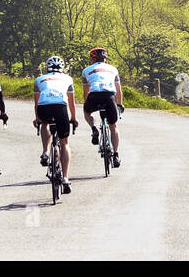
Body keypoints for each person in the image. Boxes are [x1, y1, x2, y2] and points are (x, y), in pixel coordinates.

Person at [33, 55, 77, 195]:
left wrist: (37, 118)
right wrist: (74, 118)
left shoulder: (39, 80)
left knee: (45, 123)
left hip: (44, 107)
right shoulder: (68, 79)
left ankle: (45, 152)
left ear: (47, 67)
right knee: (64, 143)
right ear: (62, 68)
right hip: (60, 108)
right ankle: (65, 178)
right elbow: (71, 102)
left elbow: (36, 102)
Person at [81, 46, 124, 167]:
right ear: (105, 58)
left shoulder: (86, 70)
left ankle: (94, 128)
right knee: (113, 126)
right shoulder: (113, 69)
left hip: (94, 96)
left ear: (93, 59)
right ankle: (116, 154)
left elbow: (86, 91)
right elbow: (118, 90)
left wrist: (87, 104)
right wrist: (120, 104)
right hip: (109, 96)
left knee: (86, 112)